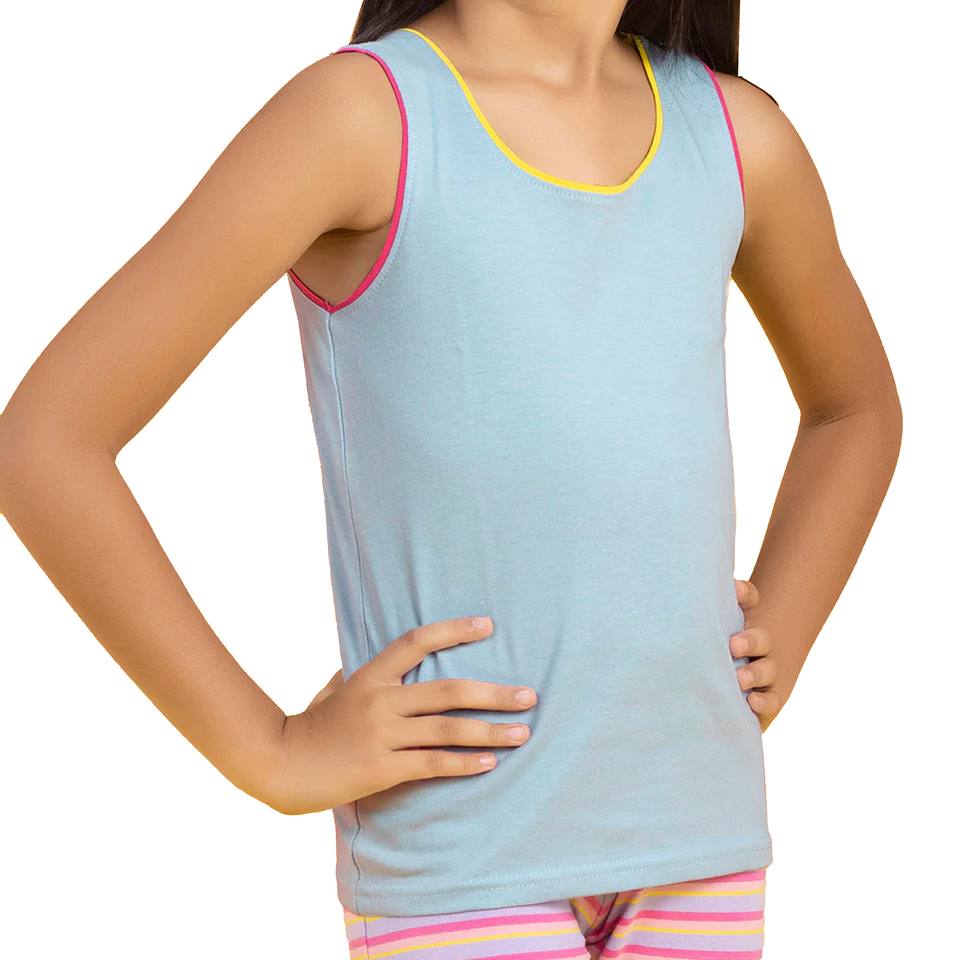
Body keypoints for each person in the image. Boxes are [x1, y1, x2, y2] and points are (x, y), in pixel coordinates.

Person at [0, 1, 902, 957]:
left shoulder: (738, 137)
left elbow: (856, 411)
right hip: (459, 851)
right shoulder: (362, 118)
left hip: (701, 833)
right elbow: (46, 444)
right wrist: (270, 749)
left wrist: (779, 631)